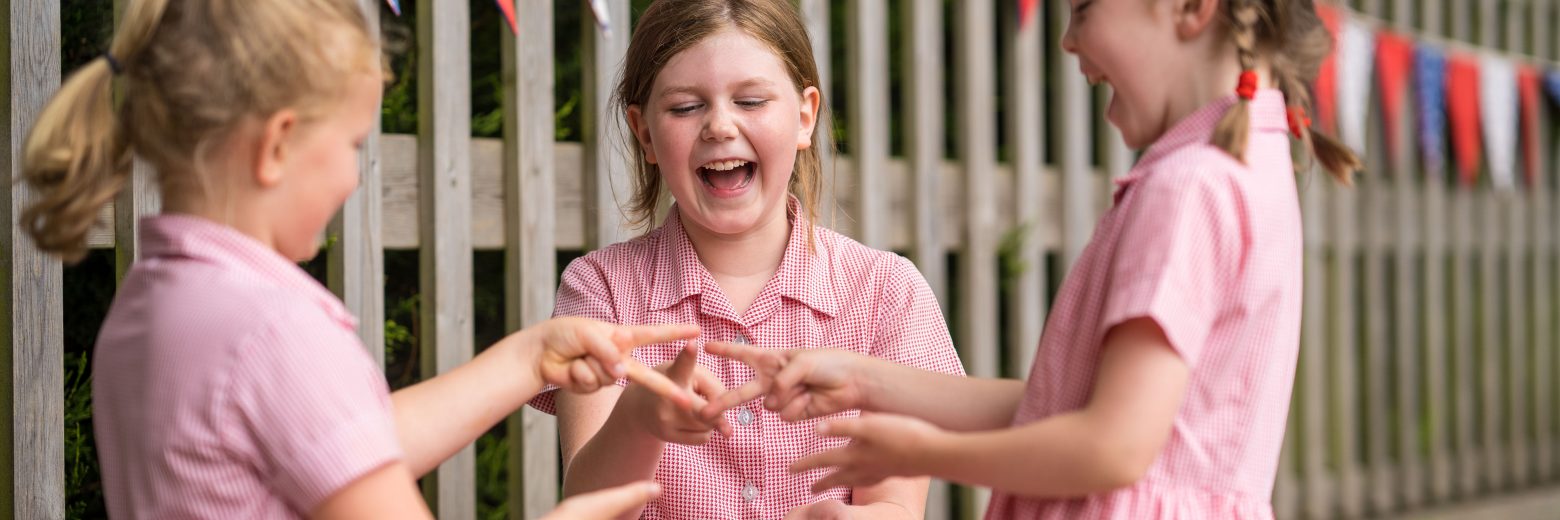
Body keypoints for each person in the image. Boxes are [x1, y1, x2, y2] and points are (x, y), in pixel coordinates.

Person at [20, 1, 699, 518]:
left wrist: (528, 359)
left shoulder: (150, 304)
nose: (354, 177)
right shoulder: (277, 332)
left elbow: (333, 444)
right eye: (351, 143)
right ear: (278, 145)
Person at [706, 0, 1361, 517]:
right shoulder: (1250, 167)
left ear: (1191, 7)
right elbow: (1072, 407)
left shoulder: (1187, 188)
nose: (1068, 41)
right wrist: (861, 380)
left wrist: (925, 451)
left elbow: (1111, 447)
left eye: (1083, 9)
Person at [528, 0, 965, 517]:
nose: (719, 126)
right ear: (644, 133)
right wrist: (639, 419)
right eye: (686, 108)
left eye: (752, 100)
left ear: (804, 117)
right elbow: (589, 509)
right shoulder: (599, 289)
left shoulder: (888, 292)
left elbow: (895, 502)